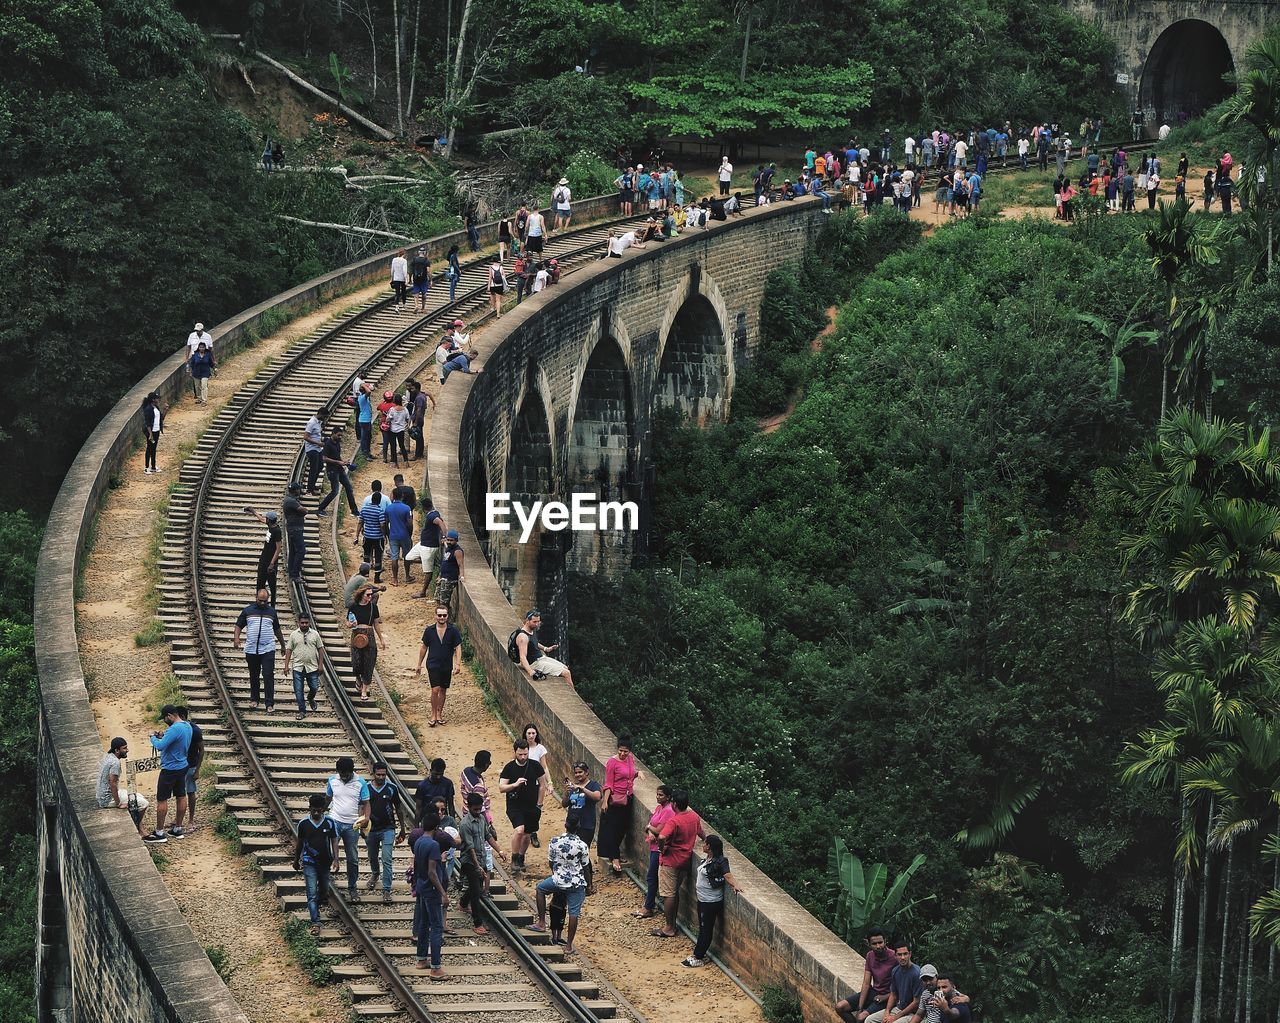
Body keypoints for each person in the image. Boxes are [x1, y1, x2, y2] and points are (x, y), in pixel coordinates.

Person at [530, 815, 592, 953]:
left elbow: (551, 862)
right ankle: (569, 946)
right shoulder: (582, 845)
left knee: (540, 889)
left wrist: (556, 873)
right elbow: (586, 867)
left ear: (565, 825)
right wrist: (589, 885)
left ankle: (541, 922)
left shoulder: (555, 841)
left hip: (558, 880)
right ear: (579, 827)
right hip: (576, 884)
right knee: (573, 913)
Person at [681, 834, 742, 968]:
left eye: (705, 843)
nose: (702, 845)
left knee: (706, 929)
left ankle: (698, 956)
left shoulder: (720, 861)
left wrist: (735, 884)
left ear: (709, 847)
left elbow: (727, 875)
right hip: (702, 899)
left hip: (711, 902)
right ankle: (698, 953)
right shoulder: (708, 859)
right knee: (703, 927)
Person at [651, 789, 703, 938]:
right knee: (675, 892)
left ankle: (669, 927)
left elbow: (661, 836)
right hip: (685, 860)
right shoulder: (693, 816)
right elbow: (701, 832)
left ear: (674, 804)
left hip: (670, 861)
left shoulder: (675, 820)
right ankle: (672, 924)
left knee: (668, 894)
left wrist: (662, 849)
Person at [458, 790, 506, 934]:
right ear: (469, 807)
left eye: (480, 809)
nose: (478, 812)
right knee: (476, 891)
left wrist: (500, 851)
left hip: (481, 858)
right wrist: (478, 867)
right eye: (475, 809)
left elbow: (488, 836)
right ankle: (477, 923)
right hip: (470, 861)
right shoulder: (465, 824)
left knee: (476, 886)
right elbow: (470, 847)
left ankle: (462, 903)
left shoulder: (482, 819)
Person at [142, 705, 192, 843]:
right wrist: (163, 736)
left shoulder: (174, 728)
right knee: (181, 796)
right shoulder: (187, 726)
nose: (165, 721)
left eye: (165, 718)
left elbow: (160, 746)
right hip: (183, 765)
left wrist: (152, 737)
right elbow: (175, 740)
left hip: (170, 768)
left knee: (162, 799)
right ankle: (178, 828)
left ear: (170, 715)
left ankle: (159, 832)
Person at [325, 756, 370, 901]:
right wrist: (321, 814)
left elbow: (366, 803)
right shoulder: (332, 780)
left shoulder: (360, 782)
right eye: (341, 773)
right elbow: (328, 798)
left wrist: (366, 818)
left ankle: (352, 888)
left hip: (353, 824)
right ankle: (326, 885)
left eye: (346, 774)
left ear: (352, 771)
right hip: (335, 820)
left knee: (353, 858)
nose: (343, 776)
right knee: (329, 853)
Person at [294, 793, 339, 935]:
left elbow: (334, 840)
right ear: (309, 808)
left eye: (319, 810)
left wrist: (336, 859)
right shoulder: (303, 824)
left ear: (323, 809)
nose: (316, 813)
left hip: (325, 862)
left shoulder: (330, 823)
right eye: (314, 810)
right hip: (309, 862)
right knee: (311, 892)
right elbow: (300, 843)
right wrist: (296, 860)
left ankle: (317, 906)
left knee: (324, 890)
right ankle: (315, 921)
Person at [234, 588, 284, 712]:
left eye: (265, 601)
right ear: (256, 598)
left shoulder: (272, 612)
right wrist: (236, 638)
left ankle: (269, 703)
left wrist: (283, 645)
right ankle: (254, 699)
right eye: (260, 600)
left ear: (268, 600)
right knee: (254, 674)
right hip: (251, 649)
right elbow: (238, 625)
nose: (262, 603)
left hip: (268, 648)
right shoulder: (248, 611)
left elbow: (277, 629)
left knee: (268, 675)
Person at [499, 739, 545, 873]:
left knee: (527, 835)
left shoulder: (535, 765)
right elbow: (502, 787)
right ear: (515, 753)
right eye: (520, 754)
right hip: (515, 805)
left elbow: (542, 784)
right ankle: (514, 859)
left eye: (525, 754)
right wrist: (515, 784)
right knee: (519, 830)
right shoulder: (509, 767)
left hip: (532, 805)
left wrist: (539, 803)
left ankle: (521, 858)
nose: (523, 757)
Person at [363, 762, 405, 904]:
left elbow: (398, 808)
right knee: (372, 856)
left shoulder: (392, 788)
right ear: (373, 773)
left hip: (388, 828)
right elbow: (361, 807)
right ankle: (375, 873)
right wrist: (361, 827)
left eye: (383, 774)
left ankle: (386, 889)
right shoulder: (366, 789)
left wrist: (403, 829)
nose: (381, 777)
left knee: (387, 859)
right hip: (371, 829)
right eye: (378, 774)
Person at [598, 736, 641, 876]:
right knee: (613, 828)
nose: (623, 754)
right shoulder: (612, 762)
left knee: (623, 827)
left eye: (626, 751)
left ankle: (614, 852)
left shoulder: (630, 759)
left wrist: (637, 774)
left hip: (627, 797)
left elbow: (629, 775)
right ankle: (615, 857)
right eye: (621, 751)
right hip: (615, 798)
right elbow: (609, 783)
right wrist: (605, 801)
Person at [413, 815, 449, 979]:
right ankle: (435, 968)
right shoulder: (434, 845)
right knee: (436, 927)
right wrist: (443, 893)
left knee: (423, 923)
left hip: (422, 888)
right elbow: (432, 872)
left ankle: (421, 959)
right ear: (436, 828)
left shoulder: (419, 841)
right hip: (432, 891)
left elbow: (419, 865)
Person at [836, 929, 898, 1022]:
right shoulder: (870, 956)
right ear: (869, 944)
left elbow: (901, 986)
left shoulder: (895, 957)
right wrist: (860, 1007)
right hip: (873, 992)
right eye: (874, 944)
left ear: (885, 941)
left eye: (880, 942)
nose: (878, 946)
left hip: (887, 996)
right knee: (840, 1007)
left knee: (861, 1018)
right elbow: (866, 983)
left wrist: (885, 997)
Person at [632, 783, 674, 919]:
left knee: (652, 877)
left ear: (668, 797)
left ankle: (649, 906)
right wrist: (650, 829)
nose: (657, 797)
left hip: (659, 849)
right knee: (651, 876)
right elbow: (649, 827)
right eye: (657, 794)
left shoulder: (668, 811)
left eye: (661, 795)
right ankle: (649, 904)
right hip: (653, 846)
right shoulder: (659, 808)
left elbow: (659, 830)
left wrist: (651, 828)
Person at [416, 605, 462, 727]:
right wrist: (419, 664)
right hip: (433, 663)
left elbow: (457, 647)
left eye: (444, 615)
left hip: (447, 664)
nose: (442, 617)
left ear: (447, 616)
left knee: (443, 689)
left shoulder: (453, 630)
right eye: (439, 615)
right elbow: (424, 647)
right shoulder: (429, 630)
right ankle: (433, 714)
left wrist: (458, 663)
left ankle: (439, 713)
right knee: (435, 689)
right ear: (435, 616)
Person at [512, 609, 574, 690]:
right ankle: (572, 696)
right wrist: (531, 672)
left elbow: (534, 643)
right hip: (534, 663)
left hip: (540, 658)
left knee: (565, 667)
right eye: (534, 622)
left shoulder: (530, 631)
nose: (537, 624)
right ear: (527, 620)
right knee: (567, 673)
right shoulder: (523, 637)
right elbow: (522, 657)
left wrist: (546, 648)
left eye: (538, 621)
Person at [97, 736, 147, 836]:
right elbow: (113, 784)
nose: (127, 750)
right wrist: (118, 804)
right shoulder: (115, 763)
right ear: (116, 750)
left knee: (139, 796)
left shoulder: (108, 756)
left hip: (102, 795)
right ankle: (137, 827)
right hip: (107, 799)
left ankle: (140, 826)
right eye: (124, 748)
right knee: (144, 803)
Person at [866, 943, 923, 1023]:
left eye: (905, 954)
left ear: (910, 954)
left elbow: (916, 1002)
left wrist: (895, 1017)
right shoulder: (895, 971)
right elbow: (893, 994)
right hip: (898, 1008)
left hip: (912, 1013)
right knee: (869, 1020)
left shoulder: (917, 973)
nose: (902, 957)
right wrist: (887, 1011)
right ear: (895, 956)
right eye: (899, 955)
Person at [347, 584, 385, 703]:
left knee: (369, 662)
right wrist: (351, 624)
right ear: (362, 595)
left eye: (371, 594)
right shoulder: (354, 606)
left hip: (369, 635)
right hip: (357, 635)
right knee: (356, 662)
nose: (370, 597)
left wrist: (381, 639)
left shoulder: (373, 607)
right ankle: (358, 678)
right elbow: (347, 622)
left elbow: (376, 624)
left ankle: (364, 689)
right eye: (368, 595)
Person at [283, 612, 324, 720]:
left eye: (306, 623)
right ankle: (302, 711)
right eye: (302, 623)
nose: (304, 625)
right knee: (298, 690)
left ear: (309, 622)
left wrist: (320, 664)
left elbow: (320, 649)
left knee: (314, 687)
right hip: (298, 667)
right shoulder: (293, 635)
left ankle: (310, 698)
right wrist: (286, 665)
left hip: (312, 667)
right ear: (298, 623)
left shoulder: (315, 634)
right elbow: (289, 650)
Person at [316, 426, 359, 516]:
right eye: (338, 435)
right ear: (333, 433)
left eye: (341, 436)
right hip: (332, 471)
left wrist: (344, 462)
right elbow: (324, 458)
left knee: (349, 488)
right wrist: (338, 462)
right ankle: (321, 508)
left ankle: (354, 510)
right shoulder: (328, 444)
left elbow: (337, 456)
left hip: (339, 469)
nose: (340, 437)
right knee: (335, 491)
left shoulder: (337, 443)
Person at [173, 706, 203, 832]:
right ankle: (177, 819)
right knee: (179, 793)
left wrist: (197, 770)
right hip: (180, 765)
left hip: (190, 765)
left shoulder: (195, 730)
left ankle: (191, 820)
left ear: (183, 717)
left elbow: (201, 750)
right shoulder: (177, 728)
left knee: (190, 792)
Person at [244, 506, 282, 603]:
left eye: (267, 518)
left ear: (269, 520)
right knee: (260, 582)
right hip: (264, 560)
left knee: (272, 586)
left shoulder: (277, 531)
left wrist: (272, 564)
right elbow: (261, 519)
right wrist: (253, 511)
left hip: (270, 563)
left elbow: (278, 549)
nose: (265, 519)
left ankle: (272, 605)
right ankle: (258, 601)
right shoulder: (270, 525)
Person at [561, 761, 603, 847]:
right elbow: (564, 804)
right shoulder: (573, 787)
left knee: (583, 849)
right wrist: (566, 793)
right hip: (572, 825)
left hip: (586, 824)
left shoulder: (593, 785)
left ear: (586, 772)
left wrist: (583, 789)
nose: (578, 775)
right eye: (576, 773)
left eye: (580, 772)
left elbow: (597, 796)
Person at [355, 480, 388, 582]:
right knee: (378, 556)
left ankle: (365, 576)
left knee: (366, 555)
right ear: (379, 501)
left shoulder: (364, 509)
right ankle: (377, 578)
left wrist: (356, 535)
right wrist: (384, 535)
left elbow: (360, 522)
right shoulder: (380, 511)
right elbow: (382, 525)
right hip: (377, 538)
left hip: (367, 536)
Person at [281, 482, 311, 583]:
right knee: (301, 551)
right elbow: (304, 511)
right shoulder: (291, 501)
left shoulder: (290, 499)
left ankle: (291, 571)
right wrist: (305, 510)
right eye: (299, 489)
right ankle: (295, 574)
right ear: (296, 490)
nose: (300, 490)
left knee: (294, 551)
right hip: (295, 530)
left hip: (293, 529)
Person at [385, 486, 414, 585]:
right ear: (402, 496)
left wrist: (388, 534)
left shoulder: (388, 509)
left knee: (394, 557)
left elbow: (385, 523)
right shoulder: (407, 508)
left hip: (393, 535)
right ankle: (407, 576)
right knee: (407, 556)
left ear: (393, 496)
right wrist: (409, 534)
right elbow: (410, 523)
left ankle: (395, 580)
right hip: (405, 535)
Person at [415, 758, 458, 824]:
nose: (438, 777)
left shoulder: (448, 784)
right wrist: (416, 827)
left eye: (441, 774)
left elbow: (451, 805)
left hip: (443, 821)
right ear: (431, 771)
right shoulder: (422, 786)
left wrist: (453, 823)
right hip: (427, 821)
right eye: (436, 774)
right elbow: (418, 808)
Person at [437, 529, 465, 609]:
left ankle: (448, 617)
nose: (449, 542)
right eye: (448, 539)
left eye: (451, 540)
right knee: (438, 598)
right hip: (443, 577)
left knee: (444, 602)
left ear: (456, 540)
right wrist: (440, 576)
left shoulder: (457, 551)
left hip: (449, 579)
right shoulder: (448, 548)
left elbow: (461, 565)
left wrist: (462, 576)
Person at [303, 407, 326, 494]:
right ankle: (310, 489)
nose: (325, 418)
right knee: (314, 468)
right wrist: (318, 443)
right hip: (312, 449)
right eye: (324, 416)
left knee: (320, 466)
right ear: (320, 414)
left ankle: (312, 485)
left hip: (317, 448)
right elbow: (305, 437)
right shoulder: (311, 422)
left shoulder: (318, 422)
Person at [141, 392, 164, 475]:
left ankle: (153, 466)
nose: (158, 400)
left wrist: (166, 410)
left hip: (156, 431)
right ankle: (146, 467)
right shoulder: (148, 409)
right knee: (149, 449)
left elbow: (161, 418)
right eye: (157, 398)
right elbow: (148, 423)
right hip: (151, 432)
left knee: (153, 449)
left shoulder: (156, 408)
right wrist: (150, 434)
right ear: (153, 399)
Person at [409, 248, 431, 312]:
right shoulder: (426, 261)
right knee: (424, 293)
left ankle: (416, 306)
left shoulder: (414, 260)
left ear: (418, 253)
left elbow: (411, 271)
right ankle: (423, 308)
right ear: (424, 253)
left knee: (416, 293)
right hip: (423, 279)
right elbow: (428, 271)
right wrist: (430, 280)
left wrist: (410, 279)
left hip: (415, 278)